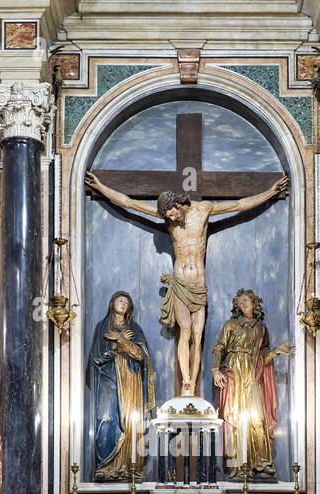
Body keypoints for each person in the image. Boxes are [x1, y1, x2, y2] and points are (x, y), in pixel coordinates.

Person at [85, 170, 288, 397]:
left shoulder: (203, 210)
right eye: (167, 217)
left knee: (198, 335)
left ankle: (193, 380)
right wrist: (102, 188)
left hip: (199, 285)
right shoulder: (167, 219)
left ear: (178, 203)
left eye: (172, 213)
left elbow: (239, 205)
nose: (171, 219)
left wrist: (270, 193)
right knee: (185, 331)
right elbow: (130, 203)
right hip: (180, 283)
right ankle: (187, 382)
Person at [211, 289, 292, 477]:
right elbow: (219, 348)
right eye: (240, 303)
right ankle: (237, 465)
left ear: (255, 303)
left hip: (252, 375)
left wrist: (277, 351)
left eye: (246, 300)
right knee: (234, 419)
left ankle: (262, 463)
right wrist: (215, 370)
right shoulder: (230, 325)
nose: (243, 304)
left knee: (257, 418)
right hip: (233, 375)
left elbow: (263, 355)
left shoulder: (261, 328)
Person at [87, 291, 155, 480]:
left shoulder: (135, 329)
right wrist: (117, 345)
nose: (123, 304)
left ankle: (130, 466)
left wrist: (122, 340)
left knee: (134, 422)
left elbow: (142, 356)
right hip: (109, 378)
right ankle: (106, 466)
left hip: (131, 380)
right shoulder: (102, 327)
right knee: (106, 418)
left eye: (126, 302)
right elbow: (97, 357)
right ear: (112, 303)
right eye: (120, 300)